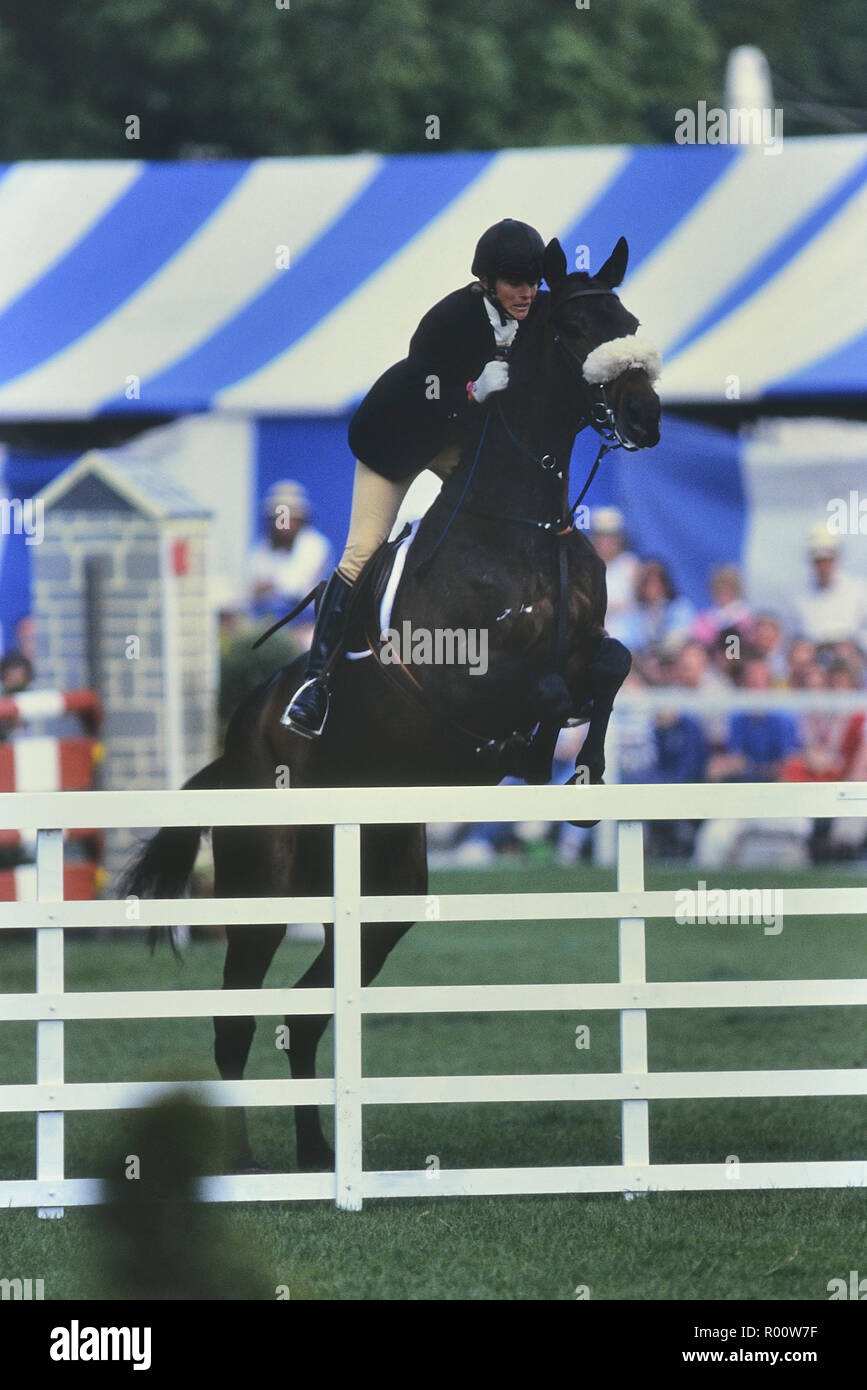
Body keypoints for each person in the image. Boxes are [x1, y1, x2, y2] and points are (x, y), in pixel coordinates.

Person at [280, 218, 548, 738]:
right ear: (489, 280)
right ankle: (316, 685)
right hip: (399, 436)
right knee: (362, 551)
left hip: (459, 442)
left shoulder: (535, 315)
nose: (526, 292)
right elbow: (429, 394)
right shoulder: (448, 319)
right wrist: (472, 391)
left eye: (533, 281)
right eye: (516, 281)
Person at [247, 481, 331, 631]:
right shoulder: (263, 546)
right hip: (265, 621)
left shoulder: (315, 544)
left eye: (289, 516)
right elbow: (251, 590)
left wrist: (270, 585)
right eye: (279, 516)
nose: (284, 522)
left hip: (306, 622)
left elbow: (294, 589)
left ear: (300, 519)